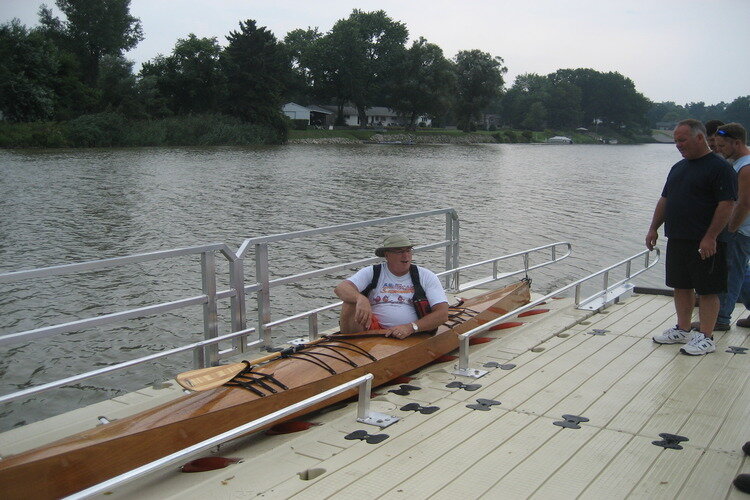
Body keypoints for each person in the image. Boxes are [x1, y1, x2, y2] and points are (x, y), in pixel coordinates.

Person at [646, 119, 737, 355]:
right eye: (676, 140)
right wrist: (653, 228)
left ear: (700, 138)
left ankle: (706, 336)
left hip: (706, 241)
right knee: (681, 285)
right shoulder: (678, 168)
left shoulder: (719, 168)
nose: (678, 145)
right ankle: (682, 328)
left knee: (708, 289)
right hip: (678, 237)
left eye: (682, 140)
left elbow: (727, 204)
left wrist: (711, 237)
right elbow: (665, 199)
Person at [335, 234, 449, 339]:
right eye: (399, 251)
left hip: (411, 334)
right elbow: (341, 288)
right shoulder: (372, 272)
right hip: (373, 332)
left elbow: (442, 314)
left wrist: (410, 327)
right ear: (387, 255)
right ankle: (350, 345)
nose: (405, 256)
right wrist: (360, 298)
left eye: (408, 250)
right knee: (349, 301)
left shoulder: (426, 276)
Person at [714, 123, 750, 328]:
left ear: (736, 143)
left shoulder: (745, 168)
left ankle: (721, 318)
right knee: (742, 271)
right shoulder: (740, 163)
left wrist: (730, 229)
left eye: (722, 145)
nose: (718, 149)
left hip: (739, 231)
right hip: (740, 230)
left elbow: (744, 203)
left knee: (731, 274)